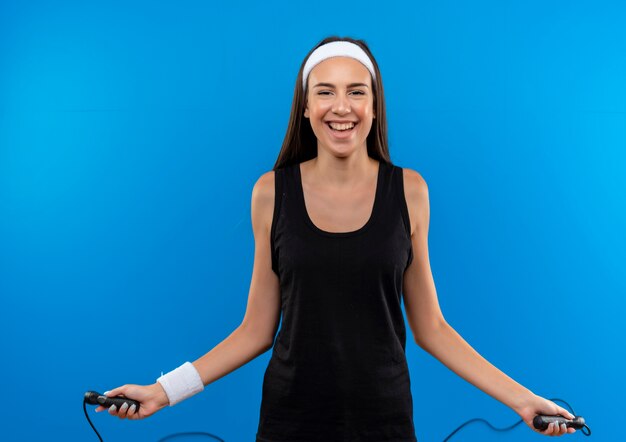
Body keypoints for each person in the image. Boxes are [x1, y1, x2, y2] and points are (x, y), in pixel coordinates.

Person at [97, 36, 577, 440]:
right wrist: (163, 391)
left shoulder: (410, 190)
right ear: (306, 107)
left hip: (385, 420)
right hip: (289, 419)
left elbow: (432, 329)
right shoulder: (271, 191)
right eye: (325, 92)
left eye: (356, 92)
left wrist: (525, 401)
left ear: (374, 104)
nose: (341, 107)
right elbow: (256, 331)